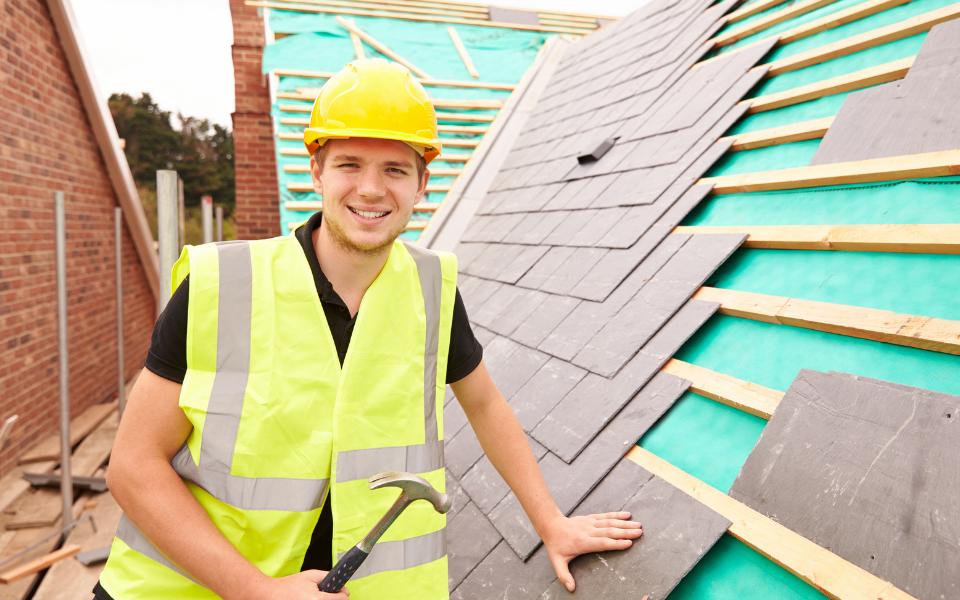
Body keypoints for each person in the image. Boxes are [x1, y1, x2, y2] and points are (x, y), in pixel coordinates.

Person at [96, 58, 642, 600]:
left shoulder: (431, 289)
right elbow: (133, 465)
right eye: (350, 164)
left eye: (395, 170)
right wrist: (256, 590)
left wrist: (551, 521)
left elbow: (485, 405)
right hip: (191, 589)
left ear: (422, 183)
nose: (372, 189)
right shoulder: (223, 285)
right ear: (317, 172)